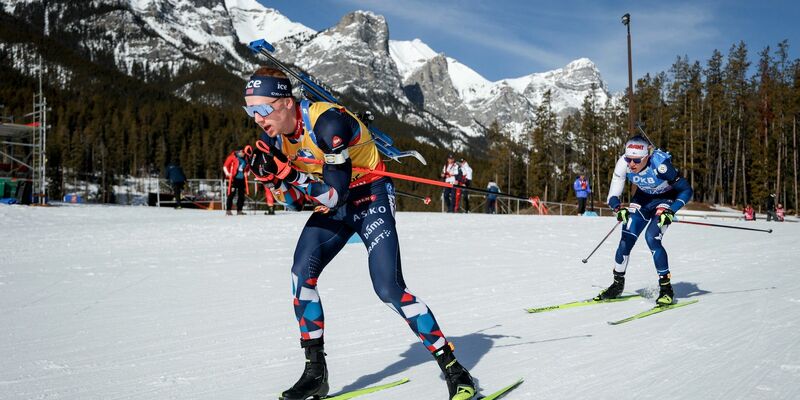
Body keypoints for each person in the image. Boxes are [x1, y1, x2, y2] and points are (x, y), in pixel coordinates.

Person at [241, 67, 475, 400]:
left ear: (287, 102)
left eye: (262, 108)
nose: (257, 118)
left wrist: (290, 175)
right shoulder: (272, 137)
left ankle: (454, 368)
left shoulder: (328, 123)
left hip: (370, 196)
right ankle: (315, 374)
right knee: (300, 274)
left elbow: (337, 194)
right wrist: (273, 181)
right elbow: (294, 202)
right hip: (336, 203)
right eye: (250, 111)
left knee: (388, 287)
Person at [596, 135, 693, 306]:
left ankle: (666, 289)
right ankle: (617, 285)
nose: (631, 164)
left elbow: (686, 190)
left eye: (636, 160)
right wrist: (618, 208)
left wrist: (672, 211)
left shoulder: (661, 166)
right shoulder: (623, 164)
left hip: (666, 199)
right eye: (628, 159)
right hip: (643, 199)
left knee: (652, 237)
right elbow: (613, 195)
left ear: (646, 156)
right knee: (626, 237)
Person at [223, 148, 249, 215]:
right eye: (242, 152)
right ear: (238, 152)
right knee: (231, 194)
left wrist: (247, 172)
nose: (244, 153)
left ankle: (239, 210)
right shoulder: (232, 157)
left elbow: (248, 167)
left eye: (244, 152)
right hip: (234, 179)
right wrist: (228, 174)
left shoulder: (245, 159)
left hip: (242, 179)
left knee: (241, 195)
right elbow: (225, 166)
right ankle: (228, 210)